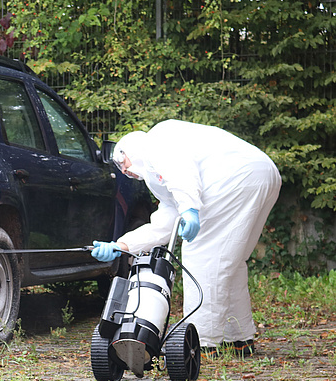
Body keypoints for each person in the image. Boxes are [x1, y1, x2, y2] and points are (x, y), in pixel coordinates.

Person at [91, 119, 281, 356]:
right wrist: (121, 245)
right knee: (228, 264)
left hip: (234, 179)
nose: (124, 171)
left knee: (201, 257)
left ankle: (201, 343)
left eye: (122, 163)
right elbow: (165, 223)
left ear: (128, 150)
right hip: (262, 174)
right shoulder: (159, 172)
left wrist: (190, 208)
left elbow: (181, 172)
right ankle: (239, 340)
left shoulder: (157, 143)